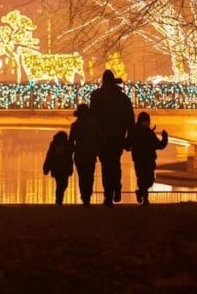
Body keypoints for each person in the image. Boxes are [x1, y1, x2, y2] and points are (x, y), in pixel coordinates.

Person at [89, 69, 135, 206]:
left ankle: (108, 195)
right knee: (115, 163)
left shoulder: (96, 96)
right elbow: (130, 120)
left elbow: (93, 118)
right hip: (118, 137)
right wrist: (129, 139)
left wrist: (94, 138)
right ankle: (117, 187)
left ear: (103, 80)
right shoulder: (123, 98)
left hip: (103, 138)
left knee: (106, 166)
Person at [129, 112, 167, 206]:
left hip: (149, 161)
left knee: (149, 180)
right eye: (145, 121)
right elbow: (128, 143)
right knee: (143, 179)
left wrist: (164, 138)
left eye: (148, 121)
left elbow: (160, 145)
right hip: (140, 160)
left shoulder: (149, 133)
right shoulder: (137, 133)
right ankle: (145, 199)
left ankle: (140, 193)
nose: (147, 123)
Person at [68, 103, 103, 206]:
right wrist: (97, 149)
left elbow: (71, 141)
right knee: (89, 176)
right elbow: (101, 138)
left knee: (82, 176)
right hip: (91, 154)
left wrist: (71, 151)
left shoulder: (75, 125)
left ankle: (84, 197)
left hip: (79, 154)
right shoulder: (94, 124)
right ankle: (88, 195)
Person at [42, 131, 74, 205]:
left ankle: (59, 199)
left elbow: (49, 156)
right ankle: (59, 200)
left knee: (62, 184)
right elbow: (49, 156)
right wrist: (46, 167)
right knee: (62, 184)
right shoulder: (55, 145)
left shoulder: (67, 145)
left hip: (61, 169)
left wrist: (46, 168)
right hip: (60, 169)